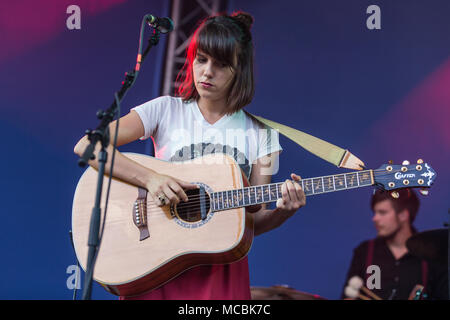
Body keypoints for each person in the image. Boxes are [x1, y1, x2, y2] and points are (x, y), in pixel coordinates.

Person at [74, 11, 306, 300]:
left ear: (240, 70)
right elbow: (88, 146)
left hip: (220, 271)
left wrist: (284, 212)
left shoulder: (264, 136)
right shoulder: (164, 109)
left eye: (221, 64)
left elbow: (252, 222)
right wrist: (152, 179)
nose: (207, 72)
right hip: (156, 261)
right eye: (201, 59)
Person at [341, 188, 448, 300]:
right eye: (375, 212)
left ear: (403, 215)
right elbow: (347, 297)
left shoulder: (432, 254)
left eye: (382, 212)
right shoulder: (364, 251)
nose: (375, 218)